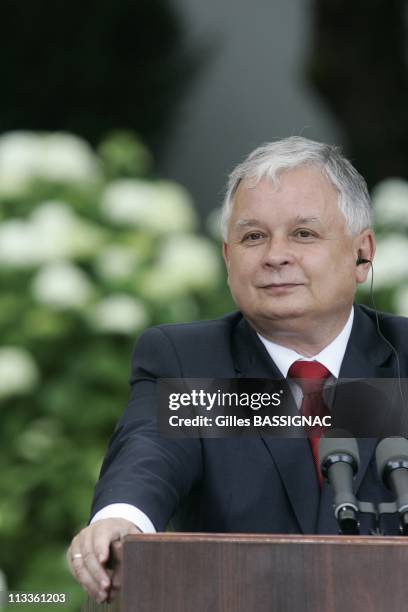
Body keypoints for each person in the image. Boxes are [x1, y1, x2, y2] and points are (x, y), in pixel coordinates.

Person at [67, 136, 408, 603]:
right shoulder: (192, 359)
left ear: (361, 253)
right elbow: (150, 454)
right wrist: (123, 520)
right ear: (229, 259)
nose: (275, 256)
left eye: (304, 234)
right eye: (253, 237)